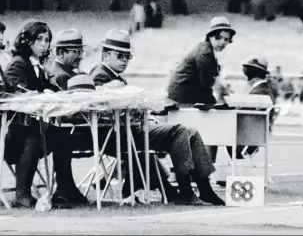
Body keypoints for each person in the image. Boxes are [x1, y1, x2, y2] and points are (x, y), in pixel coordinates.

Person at [90, 29, 225, 206]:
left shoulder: (114, 76)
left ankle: (204, 187)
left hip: (130, 129)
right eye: (120, 56)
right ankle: (186, 190)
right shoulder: (100, 75)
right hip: (118, 134)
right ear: (105, 55)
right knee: (179, 131)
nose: (124, 61)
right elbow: (102, 109)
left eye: (127, 57)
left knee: (189, 132)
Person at [4, 20, 90, 208]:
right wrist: (42, 95)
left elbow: (51, 90)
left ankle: (65, 187)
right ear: (27, 41)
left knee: (62, 134)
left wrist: (53, 83)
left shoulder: (37, 65)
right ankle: (22, 191)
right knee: (34, 135)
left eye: (47, 40)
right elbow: (16, 96)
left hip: (30, 128)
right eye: (40, 39)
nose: (44, 44)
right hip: (11, 132)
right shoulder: (18, 64)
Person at [166, 17, 235, 106]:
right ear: (210, 36)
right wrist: (216, 103)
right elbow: (206, 85)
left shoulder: (206, 48)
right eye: (219, 37)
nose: (222, 42)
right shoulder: (205, 53)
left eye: (226, 39)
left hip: (185, 93)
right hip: (182, 97)